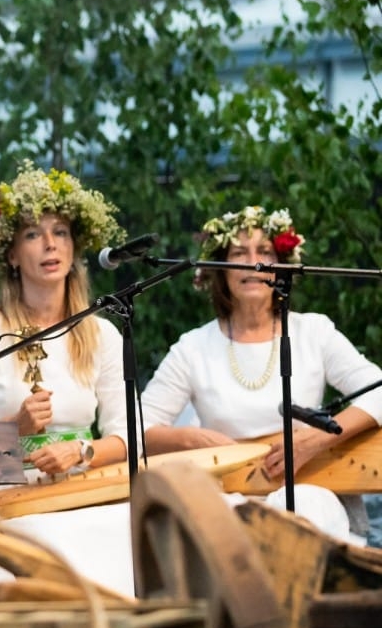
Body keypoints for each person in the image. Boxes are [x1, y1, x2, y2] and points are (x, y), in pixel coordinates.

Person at [0, 161, 132, 608]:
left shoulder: (102, 333)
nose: (50, 245)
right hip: (8, 501)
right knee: (46, 538)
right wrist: (15, 430)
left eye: (61, 233)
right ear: (11, 254)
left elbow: (130, 434)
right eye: (33, 234)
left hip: (86, 491)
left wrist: (82, 451)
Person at [141, 205, 381, 541]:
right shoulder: (193, 347)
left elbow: (378, 392)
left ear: (282, 266)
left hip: (307, 489)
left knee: (303, 513)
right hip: (226, 494)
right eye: (239, 252)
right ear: (220, 269)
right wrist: (192, 438)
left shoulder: (313, 331)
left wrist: (319, 439)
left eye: (264, 251)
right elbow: (138, 426)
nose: (252, 261)